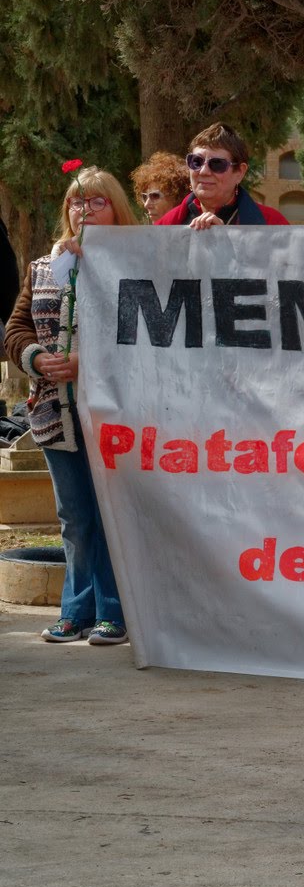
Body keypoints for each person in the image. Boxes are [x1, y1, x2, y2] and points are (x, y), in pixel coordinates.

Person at [5, 167, 139, 645]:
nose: (86, 210)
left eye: (98, 201)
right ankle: (76, 611)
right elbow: (16, 328)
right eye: (77, 202)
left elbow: (145, 335)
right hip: (54, 411)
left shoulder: (139, 264)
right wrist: (36, 357)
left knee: (111, 514)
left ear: (117, 209)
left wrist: (88, 362)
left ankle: (114, 612)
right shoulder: (45, 266)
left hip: (117, 413)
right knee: (76, 517)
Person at [154, 123, 289, 228]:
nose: (204, 171)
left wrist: (225, 239)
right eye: (196, 162)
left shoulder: (273, 224)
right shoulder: (165, 226)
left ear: (239, 172)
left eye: (217, 164)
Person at [129, 152, 190, 223]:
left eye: (155, 196)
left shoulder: (194, 226)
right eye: (144, 197)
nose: (146, 205)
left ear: (177, 197)